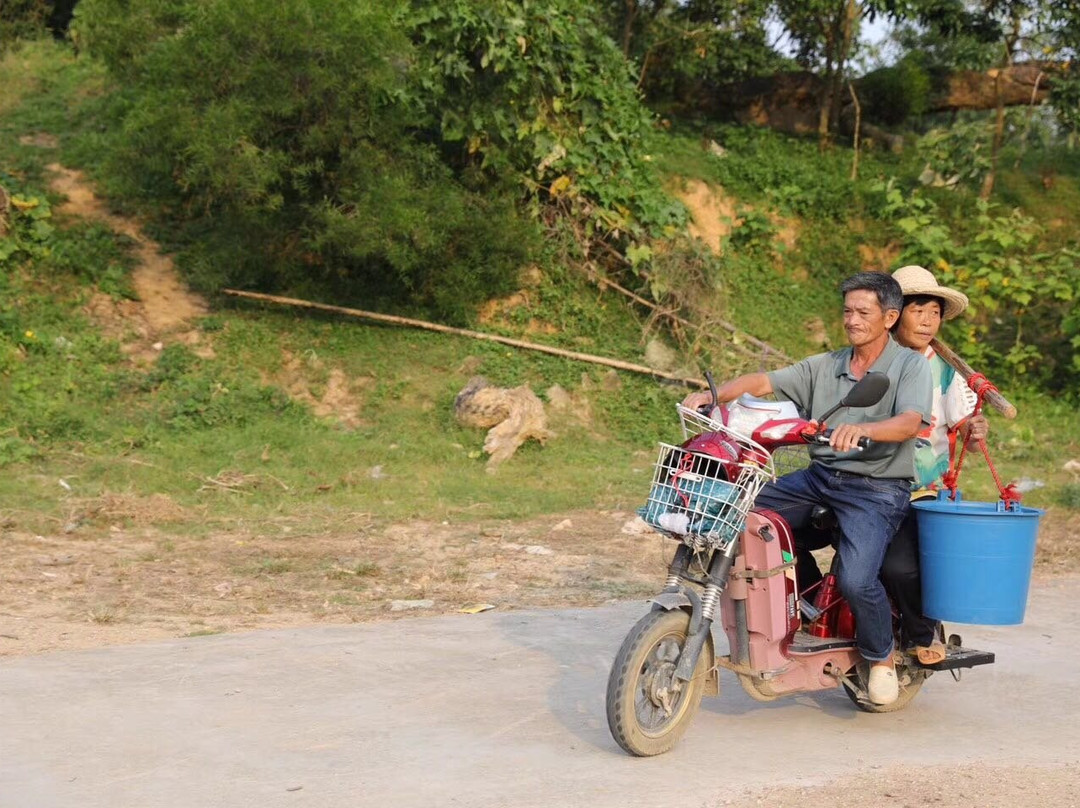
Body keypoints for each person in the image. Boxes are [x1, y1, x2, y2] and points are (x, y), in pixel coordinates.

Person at [684, 272, 932, 705]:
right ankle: (798, 612)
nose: (852, 320)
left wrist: (862, 429)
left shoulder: (909, 366)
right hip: (820, 480)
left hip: (877, 489)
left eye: (863, 312)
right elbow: (763, 382)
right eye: (847, 311)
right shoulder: (828, 364)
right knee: (746, 516)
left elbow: (911, 422)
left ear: (890, 317)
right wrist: (713, 396)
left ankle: (880, 657)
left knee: (858, 579)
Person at [881, 265, 989, 665]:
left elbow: (968, 438)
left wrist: (976, 431)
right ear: (893, 314)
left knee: (900, 567)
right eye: (918, 310)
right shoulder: (871, 360)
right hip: (865, 484)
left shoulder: (946, 371)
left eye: (934, 312)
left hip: (919, 490)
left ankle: (921, 632)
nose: (928, 320)